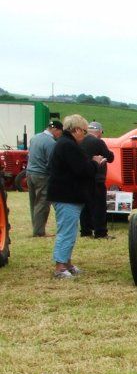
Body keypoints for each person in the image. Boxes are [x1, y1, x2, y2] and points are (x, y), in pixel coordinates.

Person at [46, 115, 106, 279]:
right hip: (67, 196)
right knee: (66, 232)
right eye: (84, 132)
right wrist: (95, 163)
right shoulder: (68, 146)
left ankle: (67, 263)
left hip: (67, 195)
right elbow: (81, 170)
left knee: (70, 231)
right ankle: (60, 267)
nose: (85, 135)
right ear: (77, 129)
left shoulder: (65, 144)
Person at [26, 120, 63, 237]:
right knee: (42, 203)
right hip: (42, 175)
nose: (59, 136)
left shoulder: (35, 138)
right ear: (56, 130)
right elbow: (51, 162)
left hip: (29, 173)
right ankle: (39, 232)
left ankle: (36, 227)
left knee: (34, 202)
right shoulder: (50, 142)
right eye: (60, 132)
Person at [79, 121, 115, 239]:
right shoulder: (98, 142)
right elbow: (110, 157)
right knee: (99, 206)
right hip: (96, 178)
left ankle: (85, 230)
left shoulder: (80, 141)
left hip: (82, 177)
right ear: (99, 132)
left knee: (85, 206)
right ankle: (100, 232)